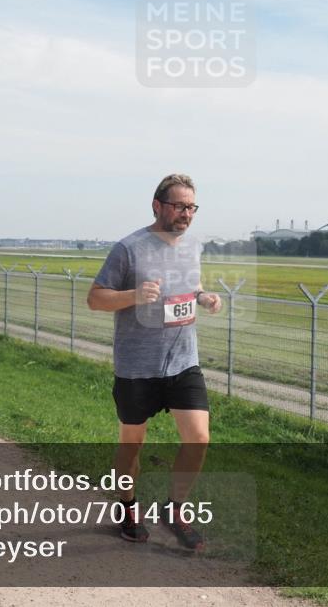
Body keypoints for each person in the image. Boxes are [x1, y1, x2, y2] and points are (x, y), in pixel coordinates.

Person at [87, 173, 221, 551]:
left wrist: (204, 297)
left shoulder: (192, 246)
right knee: (132, 445)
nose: (186, 214)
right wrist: (134, 295)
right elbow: (95, 299)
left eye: (192, 207)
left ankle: (175, 509)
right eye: (179, 206)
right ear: (157, 206)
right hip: (137, 366)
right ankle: (128, 508)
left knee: (198, 438)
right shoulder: (128, 248)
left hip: (182, 361)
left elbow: (187, 289)